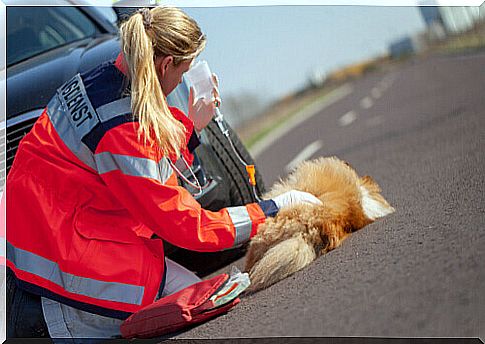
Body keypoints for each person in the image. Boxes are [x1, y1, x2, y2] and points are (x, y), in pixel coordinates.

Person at [5, 6, 322, 339]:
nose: (182, 81)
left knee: (191, 292)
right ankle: (53, 324)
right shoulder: (124, 126)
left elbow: (134, 170)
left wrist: (191, 129)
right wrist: (274, 208)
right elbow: (186, 225)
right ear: (165, 64)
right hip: (57, 256)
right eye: (183, 72)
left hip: (46, 229)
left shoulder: (101, 79)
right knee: (195, 305)